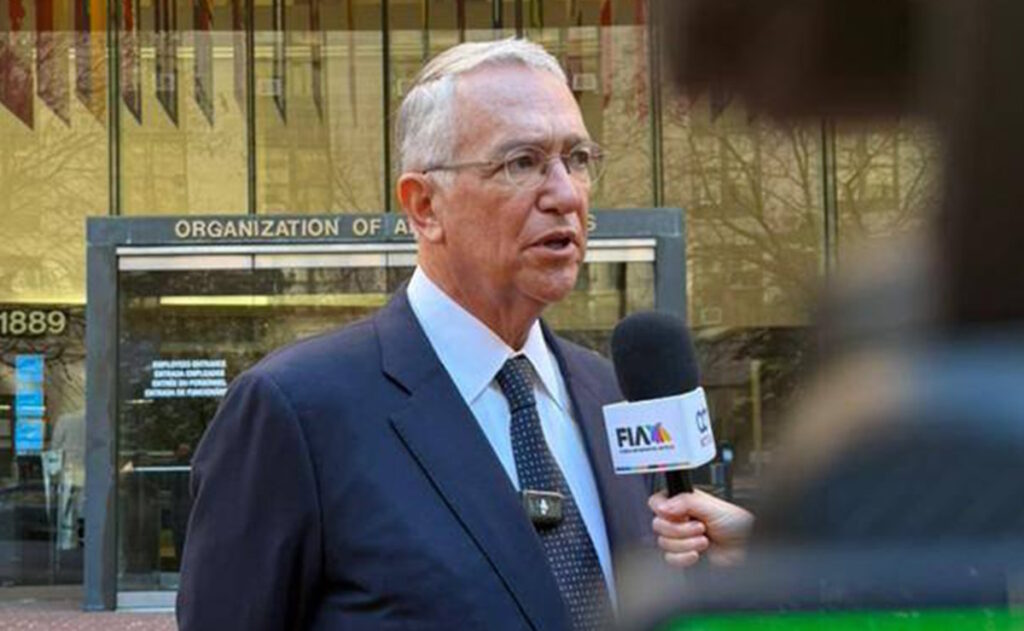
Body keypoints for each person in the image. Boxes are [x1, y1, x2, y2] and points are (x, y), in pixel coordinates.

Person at [177, 38, 752, 631]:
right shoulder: (296, 410)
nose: (566, 194)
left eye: (577, 158)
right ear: (424, 205)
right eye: (522, 162)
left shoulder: (612, 395)